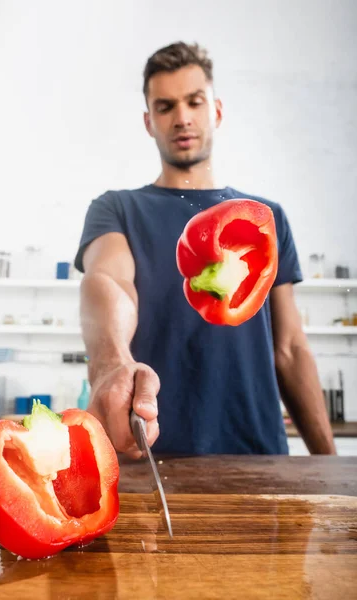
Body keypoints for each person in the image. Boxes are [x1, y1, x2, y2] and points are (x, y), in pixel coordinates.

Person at [74, 41, 336, 457]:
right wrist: (110, 363)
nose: (181, 118)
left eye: (194, 102)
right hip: (150, 455)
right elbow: (108, 280)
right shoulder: (117, 208)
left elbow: (289, 349)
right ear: (148, 122)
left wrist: (331, 467)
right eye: (165, 107)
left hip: (259, 456)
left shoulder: (266, 219)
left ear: (216, 110)